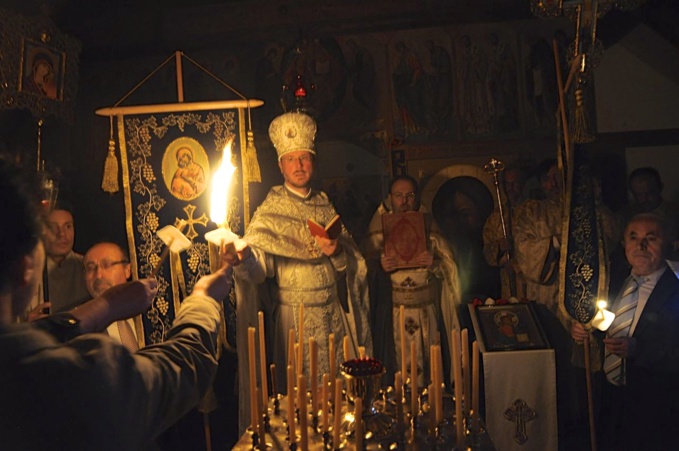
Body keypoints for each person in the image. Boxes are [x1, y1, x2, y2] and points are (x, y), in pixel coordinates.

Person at [0, 154, 233, 450]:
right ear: (25, 268)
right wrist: (204, 300)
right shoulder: (65, 376)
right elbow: (175, 372)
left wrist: (104, 307)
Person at [231, 111, 372, 433]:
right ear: (281, 165)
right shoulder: (270, 210)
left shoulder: (325, 204)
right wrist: (243, 259)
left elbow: (352, 268)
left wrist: (336, 253)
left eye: (304, 158)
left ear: (313, 162)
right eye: (291, 159)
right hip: (294, 320)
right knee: (299, 401)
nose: (298, 166)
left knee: (338, 398)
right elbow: (259, 272)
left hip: (332, 318)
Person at [570, 213, 679, 450]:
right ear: (624, 244)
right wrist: (586, 328)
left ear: (668, 243)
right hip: (611, 397)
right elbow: (607, 320)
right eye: (634, 237)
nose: (641, 246)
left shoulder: (675, 288)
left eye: (651, 238)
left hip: (657, 404)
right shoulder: (615, 280)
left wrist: (641, 350)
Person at [361, 174, 461, 385]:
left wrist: (434, 264)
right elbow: (360, 273)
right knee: (396, 366)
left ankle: (431, 407)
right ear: (389, 197)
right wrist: (379, 267)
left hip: (426, 311)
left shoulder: (430, 226)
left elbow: (451, 267)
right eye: (399, 195)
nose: (404, 201)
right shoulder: (377, 229)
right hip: (394, 311)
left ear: (416, 198)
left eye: (409, 195)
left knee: (430, 367)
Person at [25, 204, 90, 319]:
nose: (62, 234)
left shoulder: (88, 267)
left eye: (68, 226)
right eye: (53, 227)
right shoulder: (25, 271)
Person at [482, 165, 529, 300]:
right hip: (507, 282)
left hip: (530, 281)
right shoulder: (497, 217)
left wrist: (516, 265)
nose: (510, 188)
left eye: (515, 183)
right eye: (507, 184)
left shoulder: (533, 210)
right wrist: (499, 247)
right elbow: (487, 252)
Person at [83, 241, 139, 350]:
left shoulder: (150, 313)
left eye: (107, 265)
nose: (98, 275)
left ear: (127, 270)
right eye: (90, 268)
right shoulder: (79, 325)